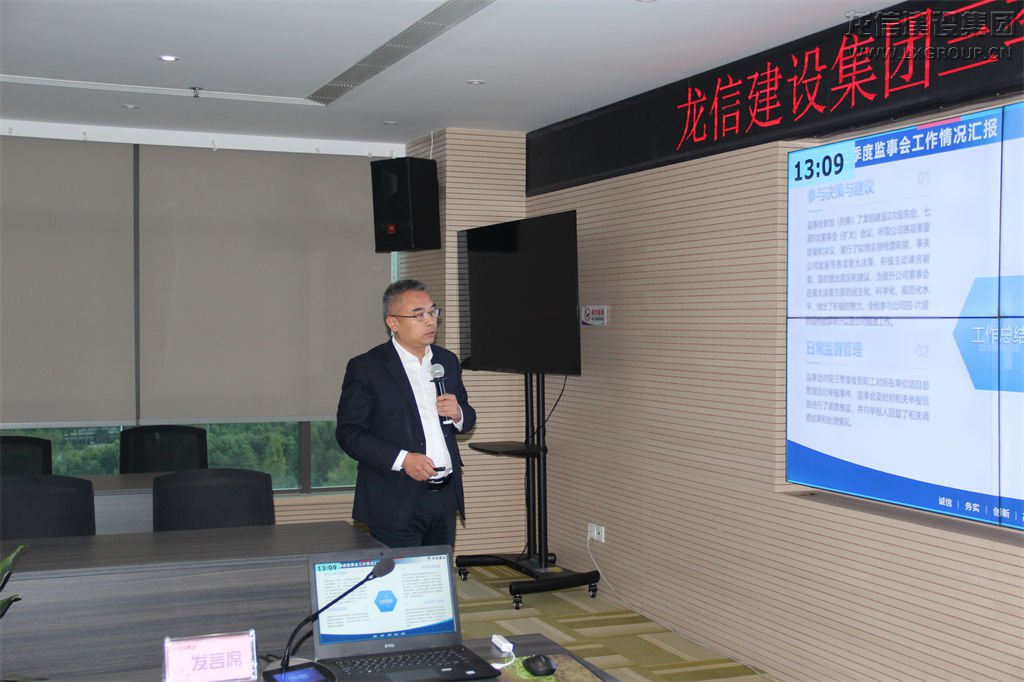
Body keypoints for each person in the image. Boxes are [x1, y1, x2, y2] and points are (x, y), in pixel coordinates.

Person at [336, 279, 476, 547]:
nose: (430, 321)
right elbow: (349, 433)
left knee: (439, 571)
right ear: (393, 322)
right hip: (394, 500)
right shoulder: (368, 367)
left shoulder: (446, 361)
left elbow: (468, 416)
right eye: (419, 315)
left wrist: (458, 413)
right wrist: (403, 460)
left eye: (433, 312)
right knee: (401, 572)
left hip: (444, 496)